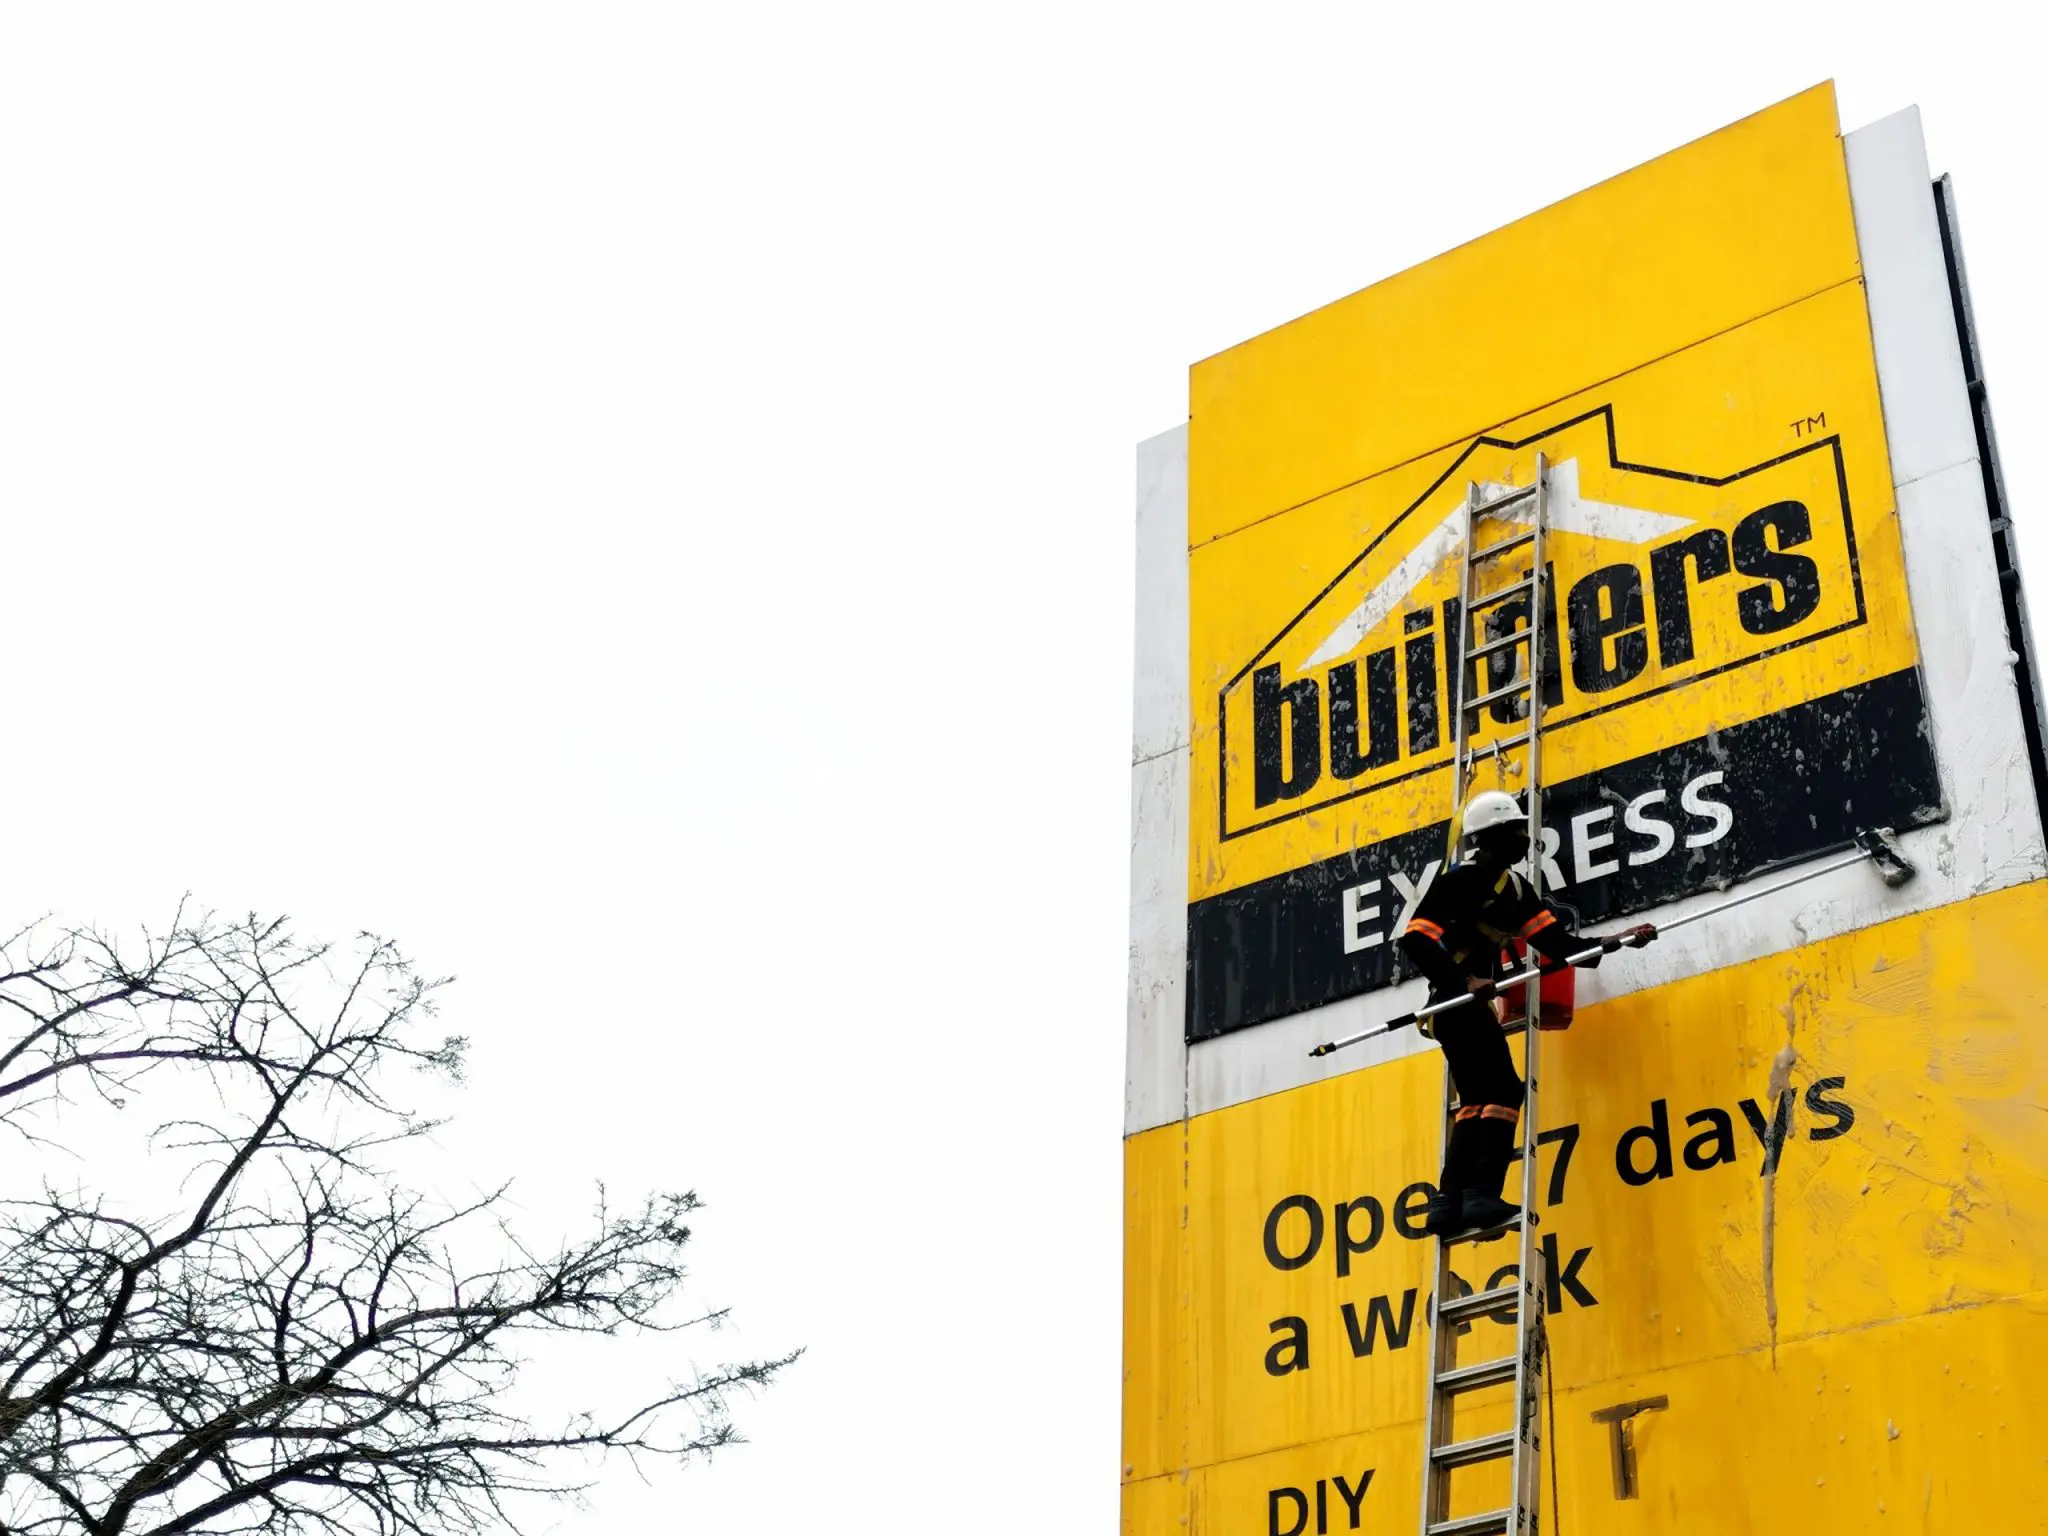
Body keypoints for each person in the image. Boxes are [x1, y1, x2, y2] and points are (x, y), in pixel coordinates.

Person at [1399, 788, 1655, 1239]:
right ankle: (1480, 1195)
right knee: (1503, 1091)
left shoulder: (1517, 890)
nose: (1524, 836)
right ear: (1493, 836)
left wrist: (1620, 941)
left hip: (1465, 1006)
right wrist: (1464, 981)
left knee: (1477, 1101)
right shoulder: (1456, 882)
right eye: (1516, 829)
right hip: (1454, 1003)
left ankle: (1448, 1202)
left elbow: (1560, 947)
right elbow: (1416, 940)